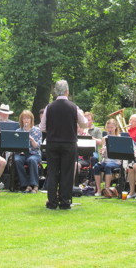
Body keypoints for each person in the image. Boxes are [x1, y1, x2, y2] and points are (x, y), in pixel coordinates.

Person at [39, 80, 87, 210]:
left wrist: (53, 130)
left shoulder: (49, 107)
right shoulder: (73, 107)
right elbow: (84, 124)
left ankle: (52, 202)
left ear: (55, 92)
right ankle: (65, 202)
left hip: (52, 143)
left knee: (53, 171)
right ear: (67, 91)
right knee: (67, 172)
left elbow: (42, 127)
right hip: (69, 143)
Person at [14, 110, 42, 193]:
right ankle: (25, 184)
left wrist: (31, 139)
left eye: (28, 118)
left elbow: (37, 147)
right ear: (21, 120)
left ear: (31, 119)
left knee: (32, 160)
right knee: (17, 160)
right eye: (24, 118)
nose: (26, 120)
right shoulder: (18, 131)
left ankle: (34, 185)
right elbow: (15, 145)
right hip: (22, 153)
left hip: (34, 153)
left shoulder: (37, 130)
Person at [93, 119, 121, 196]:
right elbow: (102, 155)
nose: (110, 129)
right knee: (96, 166)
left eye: (111, 127)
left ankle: (107, 189)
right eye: (108, 127)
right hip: (106, 160)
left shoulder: (119, 138)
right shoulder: (104, 138)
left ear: (115, 127)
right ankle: (99, 190)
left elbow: (120, 154)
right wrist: (102, 152)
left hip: (115, 162)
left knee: (108, 166)